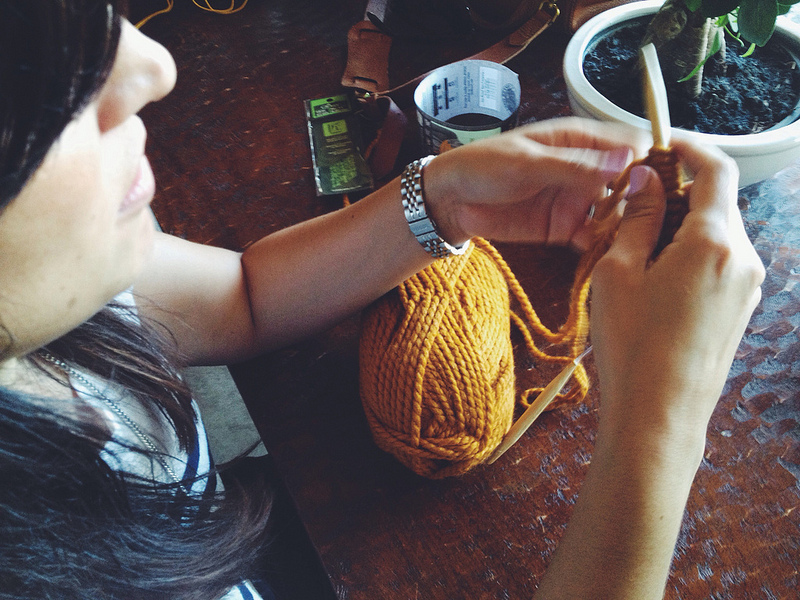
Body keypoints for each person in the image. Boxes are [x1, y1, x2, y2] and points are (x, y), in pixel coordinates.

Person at [0, 2, 764, 599]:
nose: (151, 67)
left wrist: (444, 200)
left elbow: (242, 298)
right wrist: (661, 424)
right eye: (29, 76)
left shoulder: (62, 296)